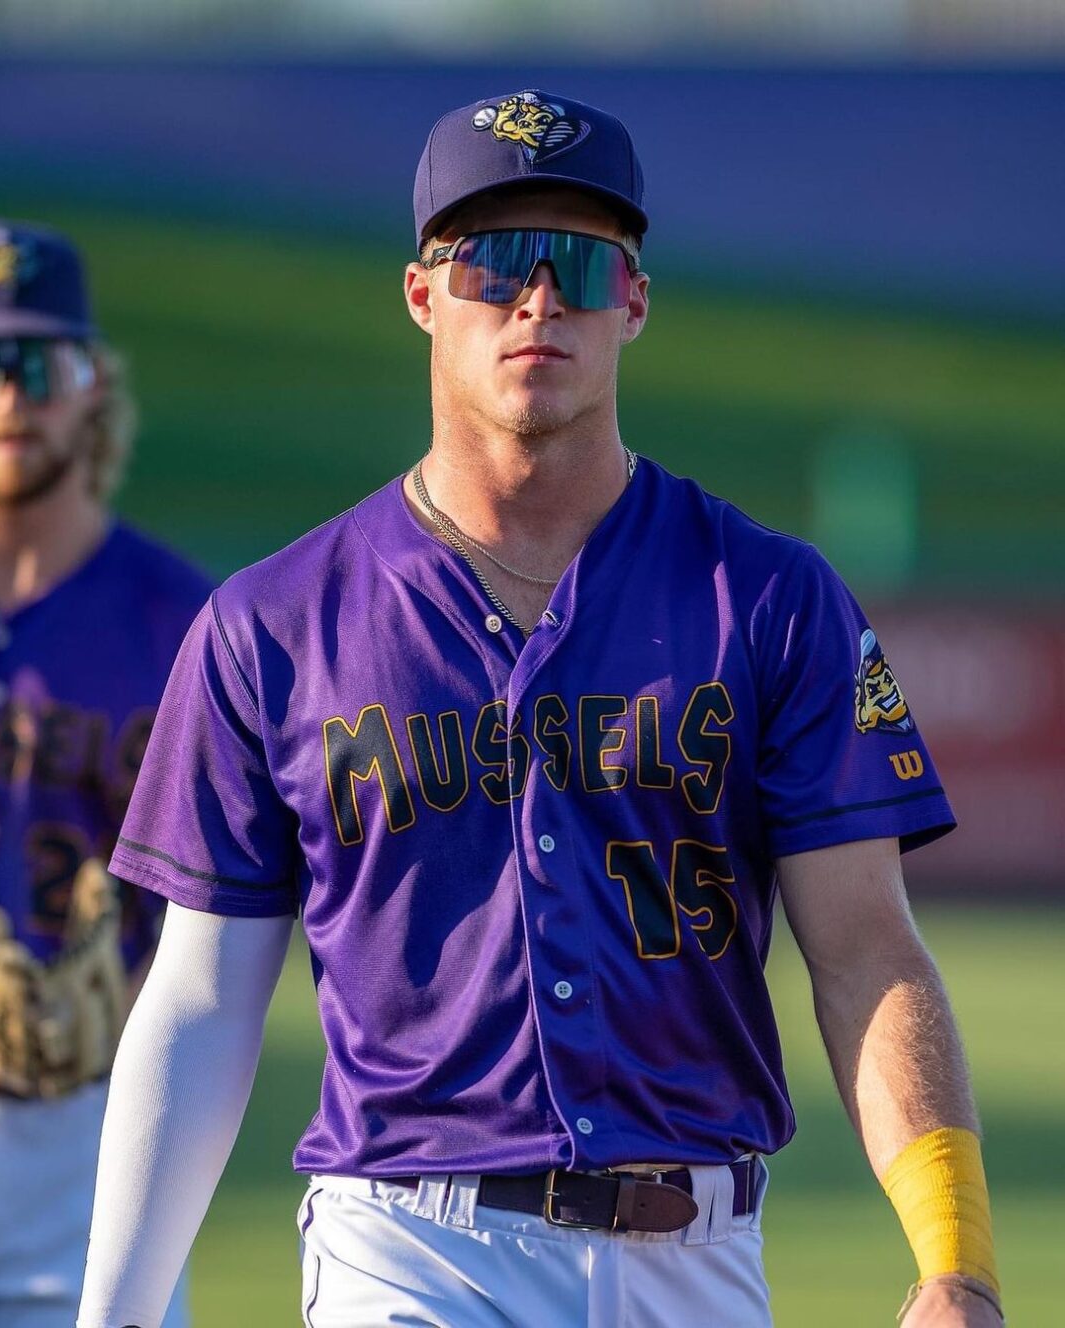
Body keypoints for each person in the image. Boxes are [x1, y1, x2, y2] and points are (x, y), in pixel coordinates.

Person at [77, 91, 1002, 1327]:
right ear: (422, 295)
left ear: (633, 299)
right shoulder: (272, 625)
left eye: (575, 260)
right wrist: (117, 1313)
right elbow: (200, 995)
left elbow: (868, 951)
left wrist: (957, 1257)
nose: (535, 298)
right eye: (494, 260)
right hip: (410, 1247)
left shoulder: (771, 597)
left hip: (699, 1252)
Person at [0, 221, 211, 1327]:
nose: (10, 396)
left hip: (98, 1125)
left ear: (93, 387)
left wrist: (140, 998)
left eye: (38, 363)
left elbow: (245, 907)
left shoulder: (182, 624)